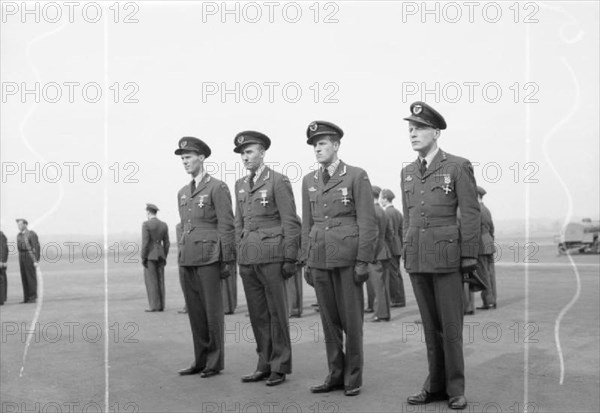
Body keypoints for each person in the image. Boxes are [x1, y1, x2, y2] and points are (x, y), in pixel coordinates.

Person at [401, 102, 480, 410]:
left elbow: (470, 213)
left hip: (447, 257)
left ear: (435, 132)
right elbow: (408, 217)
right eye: (410, 129)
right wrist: (407, 249)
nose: (413, 134)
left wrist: (469, 255)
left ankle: (455, 388)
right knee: (430, 328)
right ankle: (434, 385)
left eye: (419, 128)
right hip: (418, 258)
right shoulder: (407, 172)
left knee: (450, 327)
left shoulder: (457, 166)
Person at [301, 120, 377, 397]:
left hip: (347, 258)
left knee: (351, 321)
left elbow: (367, 222)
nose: (317, 149)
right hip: (319, 258)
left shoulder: (356, 175)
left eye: (322, 143)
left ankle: (353, 377)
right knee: (329, 322)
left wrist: (363, 260)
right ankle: (335, 373)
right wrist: (305, 260)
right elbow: (307, 223)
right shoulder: (309, 180)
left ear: (335, 145)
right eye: (314, 145)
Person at [234, 131, 301, 387]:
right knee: (258, 315)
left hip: (273, 256)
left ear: (262, 152)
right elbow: (238, 222)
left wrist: (290, 257)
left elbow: (290, 221)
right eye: (242, 153)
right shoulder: (240, 184)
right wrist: (239, 252)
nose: (245, 157)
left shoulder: (278, 181)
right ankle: (263, 363)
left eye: (249, 151)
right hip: (248, 259)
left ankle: (280, 365)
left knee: (277, 313)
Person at [175, 136, 236, 378]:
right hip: (187, 257)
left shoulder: (217, 187)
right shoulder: (182, 192)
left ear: (201, 157)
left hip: (210, 256)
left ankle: (214, 361)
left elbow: (227, 224)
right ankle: (200, 359)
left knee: (212, 312)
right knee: (196, 313)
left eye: (188, 157)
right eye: (182, 159)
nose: (185, 162)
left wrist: (227, 259)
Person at [367, 185, 393, 322]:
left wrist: (371, 253)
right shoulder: (382, 211)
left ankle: (381, 313)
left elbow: (374, 235)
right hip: (385, 251)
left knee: (378, 285)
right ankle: (384, 312)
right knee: (383, 285)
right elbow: (390, 233)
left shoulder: (371, 211)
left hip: (376, 252)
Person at [379, 189, 406, 307]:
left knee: (393, 275)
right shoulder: (398, 212)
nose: (380, 201)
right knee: (397, 274)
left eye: (381, 198)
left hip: (391, 246)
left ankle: (396, 299)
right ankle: (399, 298)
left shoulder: (387, 213)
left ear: (385, 198)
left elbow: (388, 232)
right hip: (398, 245)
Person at [141, 203, 170, 312]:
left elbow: (145, 243)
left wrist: (143, 257)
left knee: (151, 281)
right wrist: (164, 255)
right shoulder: (164, 225)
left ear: (148, 212)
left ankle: (154, 305)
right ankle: (161, 305)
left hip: (150, 255)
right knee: (160, 280)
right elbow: (167, 243)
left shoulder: (146, 225)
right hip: (161, 255)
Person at [476, 186, 497, 310]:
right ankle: (492, 300)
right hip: (488, 241)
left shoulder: (476, 210)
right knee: (490, 273)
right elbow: (492, 228)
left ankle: (487, 301)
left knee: (484, 274)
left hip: (481, 244)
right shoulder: (486, 209)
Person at [16, 219, 40, 304]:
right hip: (21, 257)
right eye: (18, 225)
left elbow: (36, 247)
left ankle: (33, 297)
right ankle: (26, 297)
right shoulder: (19, 235)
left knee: (30, 277)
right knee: (24, 278)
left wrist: (36, 260)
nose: (18, 226)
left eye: (20, 224)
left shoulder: (31, 234)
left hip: (29, 256)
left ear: (25, 224)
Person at [175, 223, 187, 314]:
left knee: (185, 283)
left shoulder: (180, 226)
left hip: (184, 257)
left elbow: (180, 244)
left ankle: (188, 305)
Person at [0, 230, 8, 305]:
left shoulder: (1, 235)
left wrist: (2, 261)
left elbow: (3, 249)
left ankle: (1, 300)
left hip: (1, 263)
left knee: (1, 280)